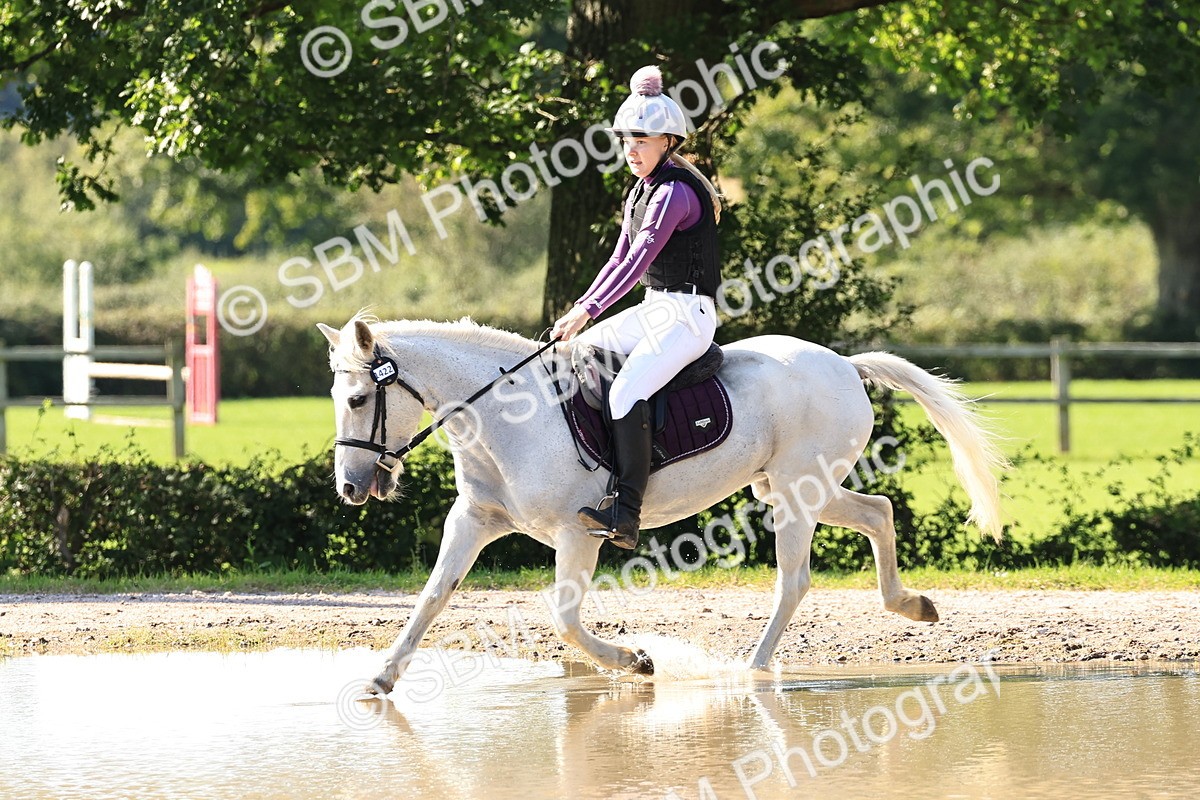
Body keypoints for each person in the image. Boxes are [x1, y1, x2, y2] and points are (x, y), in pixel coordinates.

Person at [551, 64, 723, 550]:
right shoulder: (639, 191)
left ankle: (626, 514)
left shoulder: (673, 193)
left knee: (625, 392)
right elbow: (617, 259)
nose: (631, 150)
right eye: (626, 140)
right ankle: (598, 463)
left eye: (642, 141)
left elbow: (640, 259)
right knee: (579, 351)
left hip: (687, 316)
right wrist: (580, 313)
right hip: (654, 308)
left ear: (668, 142)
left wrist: (588, 308)